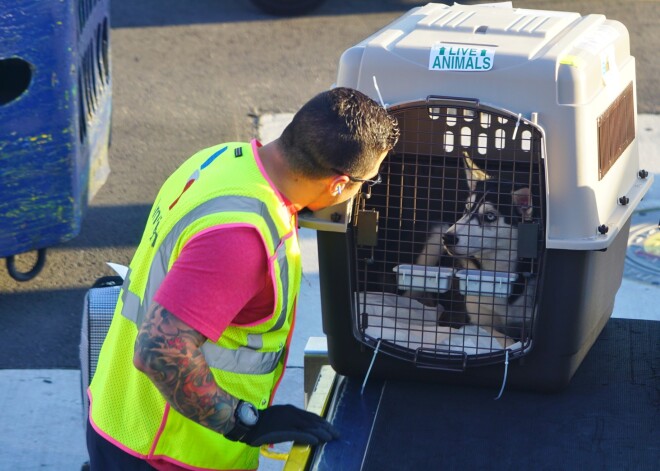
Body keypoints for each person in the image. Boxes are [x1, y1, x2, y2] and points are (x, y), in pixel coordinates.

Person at [86, 87, 400, 471]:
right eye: (364, 183)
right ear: (337, 184)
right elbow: (159, 349)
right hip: (170, 454)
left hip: (117, 415)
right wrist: (244, 422)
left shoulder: (221, 159)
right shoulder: (245, 238)